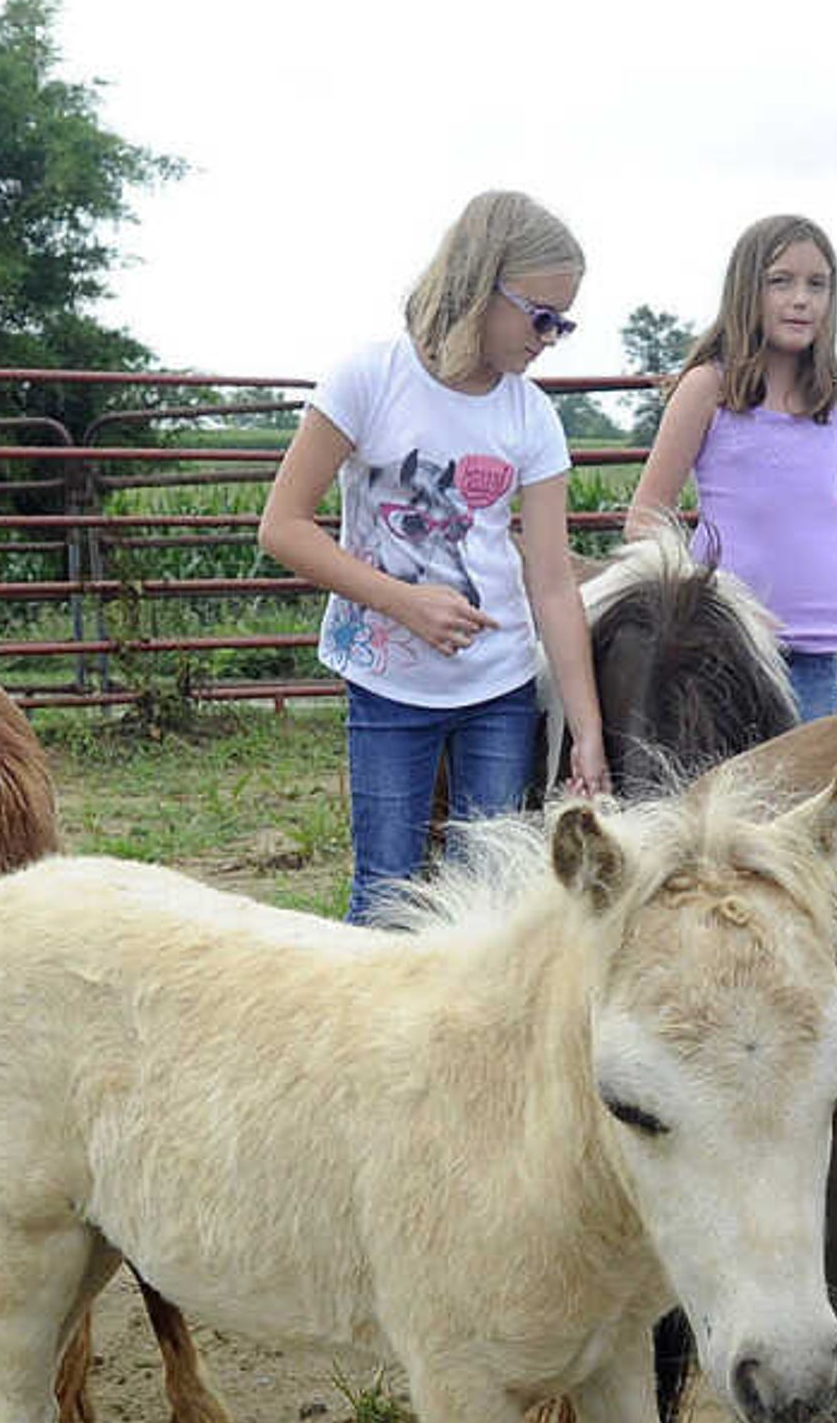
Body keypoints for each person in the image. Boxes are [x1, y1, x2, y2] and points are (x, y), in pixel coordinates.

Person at [259, 190, 610, 921]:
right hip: (388, 684)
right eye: (540, 315)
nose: (548, 337)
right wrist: (402, 601)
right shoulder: (368, 380)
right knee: (386, 889)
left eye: (562, 322)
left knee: (486, 899)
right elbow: (284, 525)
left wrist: (587, 729)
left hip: (500, 688)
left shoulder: (530, 414)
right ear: (482, 285)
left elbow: (551, 582)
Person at [621, 214, 837, 716]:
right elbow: (645, 518)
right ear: (745, 290)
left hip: (814, 657)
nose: (802, 299)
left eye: (818, 285)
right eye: (781, 281)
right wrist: (701, 603)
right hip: (722, 653)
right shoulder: (707, 390)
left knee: (803, 786)